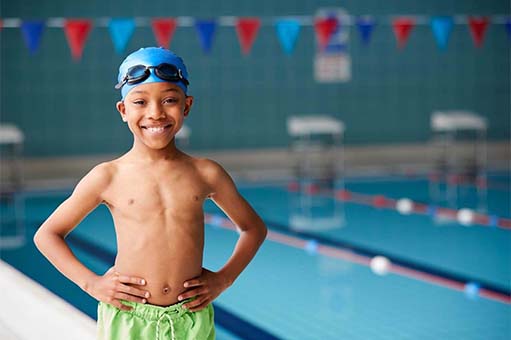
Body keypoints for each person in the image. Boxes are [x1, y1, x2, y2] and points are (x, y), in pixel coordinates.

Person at [33, 47, 268, 340]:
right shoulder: (108, 176)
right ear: (123, 110)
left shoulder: (205, 173)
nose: (155, 113)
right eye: (140, 102)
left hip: (190, 318)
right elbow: (47, 235)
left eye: (169, 100)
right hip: (129, 318)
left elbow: (253, 228)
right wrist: (92, 284)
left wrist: (224, 279)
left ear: (187, 106)